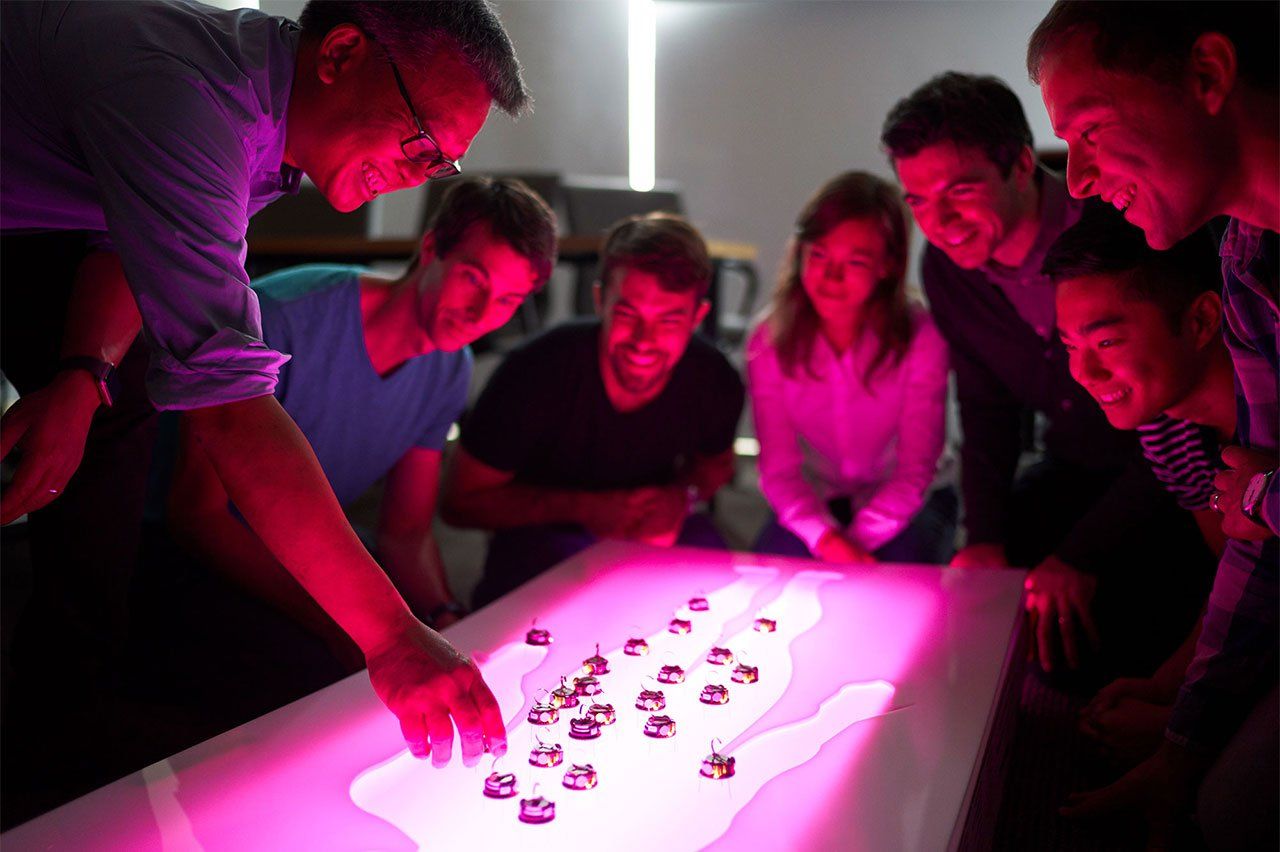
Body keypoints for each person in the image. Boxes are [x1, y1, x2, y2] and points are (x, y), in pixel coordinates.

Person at [0, 0, 528, 790]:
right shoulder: (192, 100)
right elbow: (229, 408)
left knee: (118, 410)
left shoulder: (268, 138)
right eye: (421, 140)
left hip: (38, 220)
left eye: (440, 164)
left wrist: (85, 371)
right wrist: (388, 638)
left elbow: (130, 232)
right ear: (342, 52)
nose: (423, 173)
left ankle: (66, 756)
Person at [1029, 3, 1278, 847]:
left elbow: (1258, 498)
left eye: (1091, 130)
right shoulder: (1247, 260)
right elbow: (1249, 545)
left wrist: (1268, 496)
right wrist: (1182, 733)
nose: (1079, 179)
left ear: (1208, 76)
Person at [880, 72, 1211, 679]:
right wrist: (982, 539)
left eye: (960, 190)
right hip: (1072, 463)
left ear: (1023, 163)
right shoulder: (950, 271)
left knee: (1113, 632)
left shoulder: (1119, 228)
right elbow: (985, 410)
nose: (940, 220)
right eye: (919, 201)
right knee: (975, 596)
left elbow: (1185, 423)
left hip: (1176, 474)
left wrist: (1080, 555)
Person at [166, 176, 555, 656]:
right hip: (188, 560)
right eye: (474, 279)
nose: (482, 313)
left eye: (508, 301)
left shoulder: (451, 366)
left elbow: (405, 534)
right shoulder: (282, 319)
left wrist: (446, 619)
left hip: (298, 554)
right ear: (432, 248)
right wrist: (348, 628)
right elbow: (197, 515)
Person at [442, 213, 745, 607]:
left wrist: (681, 496)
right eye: (627, 314)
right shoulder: (536, 370)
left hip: (653, 527)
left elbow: (716, 466)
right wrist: (587, 509)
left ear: (697, 318)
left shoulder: (713, 377)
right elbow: (458, 502)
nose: (643, 342)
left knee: (724, 595)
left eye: (669, 320)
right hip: (545, 531)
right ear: (600, 300)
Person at [1046, 209, 1234, 767]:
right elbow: (1239, 575)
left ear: (1200, 321)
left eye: (1105, 343)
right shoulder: (1168, 426)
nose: (1084, 373)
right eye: (1070, 346)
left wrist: (1183, 722)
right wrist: (1166, 684)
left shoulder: (1262, 416)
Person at [747, 171, 953, 565]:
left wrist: (857, 541)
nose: (831, 277)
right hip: (818, 497)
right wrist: (825, 538)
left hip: (912, 500)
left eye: (855, 261)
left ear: (887, 265)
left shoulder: (921, 336)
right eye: (819, 255)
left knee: (904, 590)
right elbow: (779, 470)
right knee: (769, 575)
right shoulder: (769, 340)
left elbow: (916, 469)